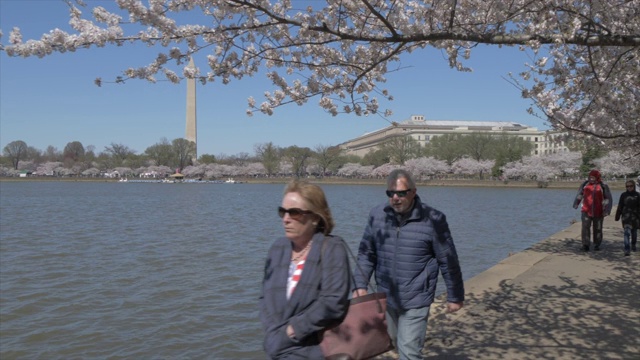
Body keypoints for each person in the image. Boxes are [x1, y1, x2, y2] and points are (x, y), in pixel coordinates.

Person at [353, 169, 464, 360]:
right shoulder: (377, 215)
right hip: (387, 295)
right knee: (394, 341)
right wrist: (360, 284)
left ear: (413, 191)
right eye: (390, 193)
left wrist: (455, 296)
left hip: (417, 296)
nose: (395, 198)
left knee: (409, 351)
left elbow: (448, 260)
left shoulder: (433, 219)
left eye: (401, 193)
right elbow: (366, 252)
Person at [260, 179, 351, 359]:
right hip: (276, 344)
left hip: (313, 347)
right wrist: (273, 331)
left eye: (294, 213)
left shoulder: (332, 248)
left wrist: (293, 331)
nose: (286, 219)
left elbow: (333, 302)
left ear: (315, 218)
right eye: (283, 212)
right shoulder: (277, 248)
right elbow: (264, 296)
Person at [572, 169, 613, 252]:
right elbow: (580, 194)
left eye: (593, 177)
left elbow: (608, 198)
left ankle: (596, 244)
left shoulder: (603, 186)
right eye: (590, 177)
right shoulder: (585, 184)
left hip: (599, 211)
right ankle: (585, 245)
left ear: (597, 177)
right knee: (585, 227)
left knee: (597, 228)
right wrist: (576, 203)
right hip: (586, 210)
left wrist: (607, 209)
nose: (591, 179)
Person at [614, 180, 640, 256]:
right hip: (626, 216)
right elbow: (620, 206)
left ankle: (633, 244)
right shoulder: (623, 195)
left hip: (635, 217)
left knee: (634, 233)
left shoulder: (638, 195)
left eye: (631, 186)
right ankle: (627, 249)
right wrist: (617, 216)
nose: (629, 187)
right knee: (626, 233)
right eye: (627, 186)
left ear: (634, 186)